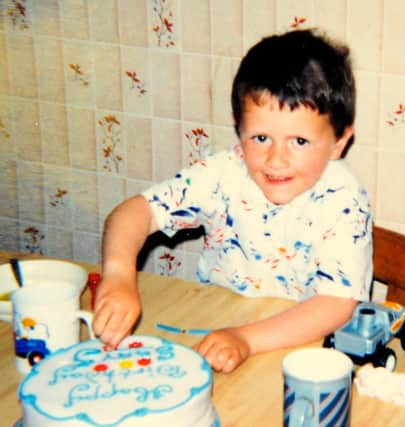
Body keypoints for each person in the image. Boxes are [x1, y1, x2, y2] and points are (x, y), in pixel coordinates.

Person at [92, 29, 373, 373]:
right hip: (221, 336)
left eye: (299, 141)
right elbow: (134, 212)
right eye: (260, 138)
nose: (276, 159)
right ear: (239, 130)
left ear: (339, 142)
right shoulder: (223, 173)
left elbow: (336, 304)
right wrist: (119, 274)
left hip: (306, 356)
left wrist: (247, 340)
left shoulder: (343, 198)